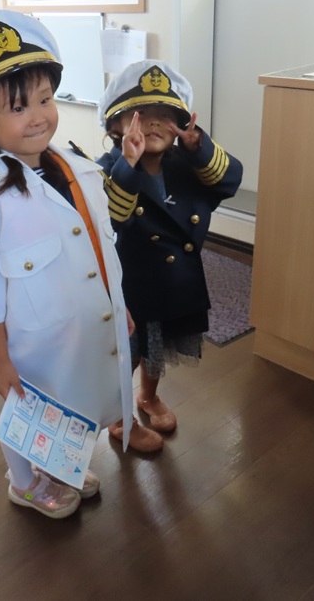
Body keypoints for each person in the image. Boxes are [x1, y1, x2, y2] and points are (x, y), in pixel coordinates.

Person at [0, 10, 152, 518]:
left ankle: (59, 468)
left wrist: (118, 306)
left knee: (70, 400)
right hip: (21, 343)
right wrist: (1, 362)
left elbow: (101, 245)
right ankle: (25, 481)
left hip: (72, 327)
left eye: (45, 99)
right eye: (17, 106)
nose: (38, 116)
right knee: (24, 407)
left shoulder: (77, 168)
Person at [96, 60, 243, 449]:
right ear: (115, 126)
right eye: (141, 114)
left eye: (166, 114)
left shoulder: (188, 165)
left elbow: (230, 182)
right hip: (130, 284)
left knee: (156, 349)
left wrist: (199, 148)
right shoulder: (109, 169)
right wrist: (128, 163)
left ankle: (148, 396)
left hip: (173, 282)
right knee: (127, 353)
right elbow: (112, 216)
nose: (154, 123)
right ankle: (120, 417)